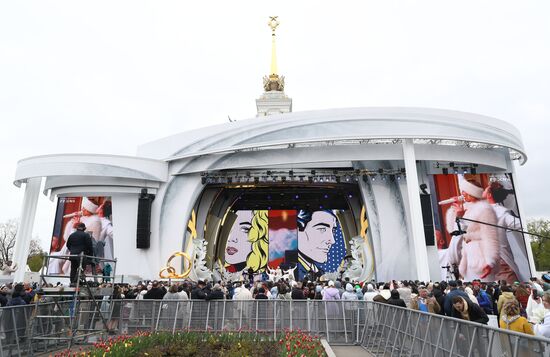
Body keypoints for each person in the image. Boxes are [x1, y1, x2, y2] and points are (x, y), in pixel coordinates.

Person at [444, 177, 500, 282]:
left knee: (483, 289)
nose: (463, 194)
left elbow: (490, 236)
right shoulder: (465, 208)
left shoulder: (484, 209)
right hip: (468, 255)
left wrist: (490, 261)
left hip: (481, 257)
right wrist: (454, 210)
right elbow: (452, 230)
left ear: (472, 192)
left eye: (465, 191)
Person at [483, 181, 530, 282]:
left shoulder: (488, 212)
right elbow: (520, 224)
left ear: (489, 195)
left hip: (499, 262)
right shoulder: (502, 213)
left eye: (486, 189)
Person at [296, 210, 339, 280]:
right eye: (322, 229)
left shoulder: (320, 273)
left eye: (333, 231)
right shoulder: (293, 272)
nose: (332, 241)